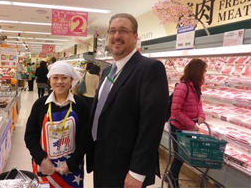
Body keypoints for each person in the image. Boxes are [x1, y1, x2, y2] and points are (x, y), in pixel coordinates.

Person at [86, 13, 169, 188]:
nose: (116, 36)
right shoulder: (109, 71)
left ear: (135, 36)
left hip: (126, 169)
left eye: (123, 31)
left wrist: (137, 172)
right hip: (102, 161)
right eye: (112, 31)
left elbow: (152, 125)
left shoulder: (150, 69)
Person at [24, 61, 89, 188]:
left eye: (64, 78)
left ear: (71, 81)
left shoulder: (80, 105)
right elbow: (30, 136)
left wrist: (71, 163)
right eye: (55, 77)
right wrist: (41, 159)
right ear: (50, 80)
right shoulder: (40, 104)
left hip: (72, 169)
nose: (60, 81)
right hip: (45, 167)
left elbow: (85, 138)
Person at [168, 59, 207, 188]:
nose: (204, 74)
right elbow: (175, 111)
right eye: (204, 71)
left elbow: (199, 103)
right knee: (180, 155)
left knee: (182, 155)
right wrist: (192, 125)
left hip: (188, 127)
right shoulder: (182, 87)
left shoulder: (196, 87)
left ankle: (170, 177)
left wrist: (201, 115)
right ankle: (172, 180)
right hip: (178, 127)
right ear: (197, 72)